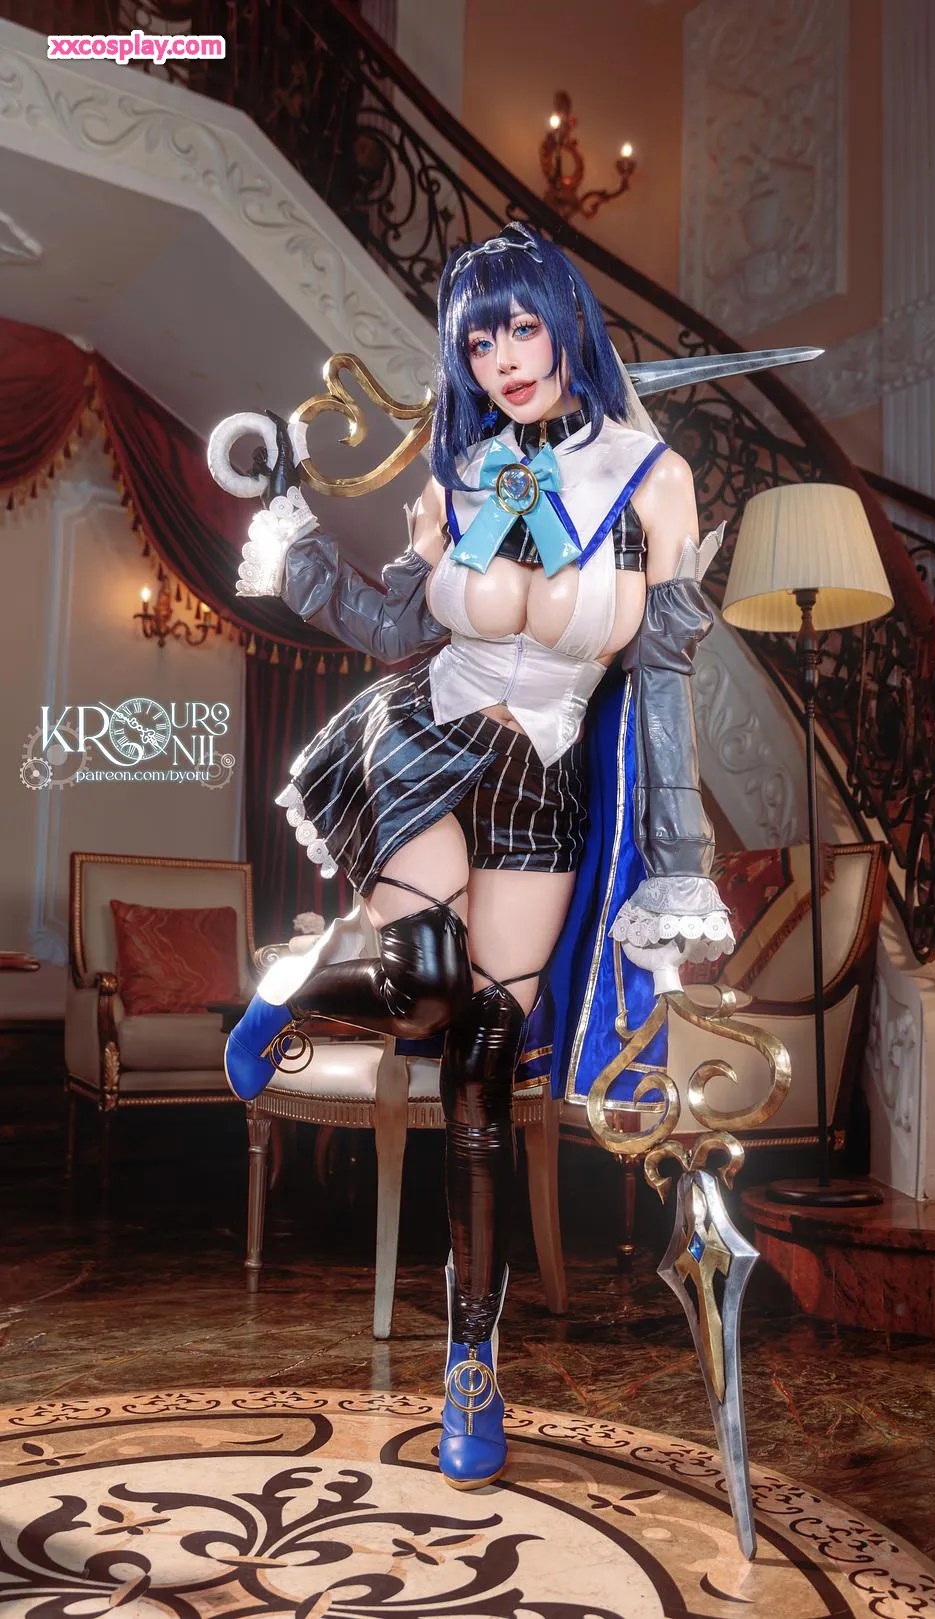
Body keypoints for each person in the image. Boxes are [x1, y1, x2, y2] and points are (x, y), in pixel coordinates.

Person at [221, 223, 733, 1490]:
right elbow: (396, 619)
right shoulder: (455, 478)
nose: (503, 356)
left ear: (566, 324)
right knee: (427, 982)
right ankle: (292, 994)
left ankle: (472, 1359)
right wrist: (291, 531)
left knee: (485, 1070)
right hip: (424, 739)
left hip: (546, 784)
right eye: (479, 337)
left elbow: (663, 679)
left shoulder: (653, 479)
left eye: (522, 325)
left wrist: (676, 861)